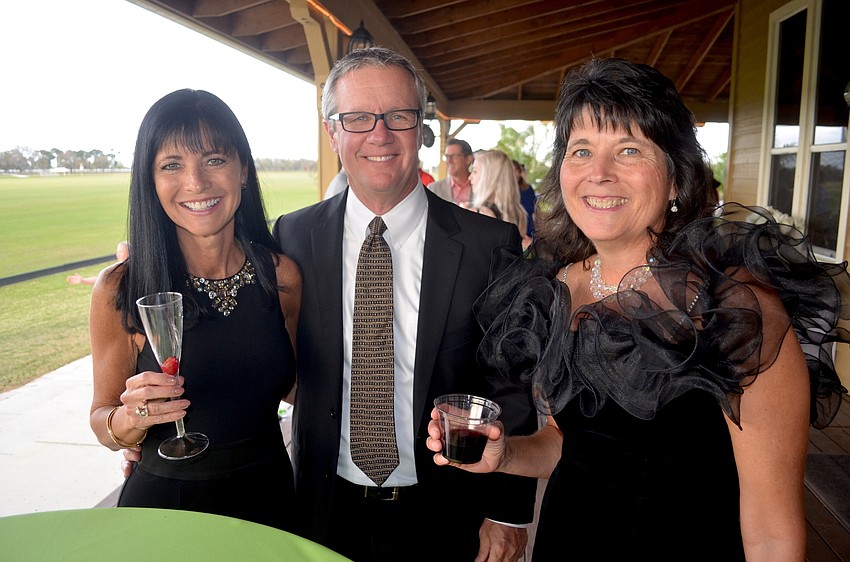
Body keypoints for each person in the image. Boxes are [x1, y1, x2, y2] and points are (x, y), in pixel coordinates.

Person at [427, 57, 850, 561]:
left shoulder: (734, 310)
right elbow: (569, 443)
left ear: (675, 178)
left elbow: (773, 533)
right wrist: (504, 456)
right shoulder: (555, 287)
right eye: (581, 150)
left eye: (629, 149)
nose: (599, 174)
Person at [273, 47, 537, 562]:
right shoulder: (293, 235)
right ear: (333, 131)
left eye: (399, 116)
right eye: (357, 118)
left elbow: (514, 382)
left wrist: (507, 510)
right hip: (322, 508)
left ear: (421, 129)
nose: (379, 134)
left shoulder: (489, 245)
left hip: (447, 510)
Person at [90, 89, 301, 530]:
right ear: (150, 181)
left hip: (269, 502)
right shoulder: (121, 288)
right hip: (165, 509)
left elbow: (302, 389)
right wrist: (133, 418)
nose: (196, 183)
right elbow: (102, 421)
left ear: (243, 169)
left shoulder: (281, 277)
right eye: (172, 165)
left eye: (215, 159)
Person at [466, 149, 530, 248]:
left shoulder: (480, 213)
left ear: (489, 177)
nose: (470, 177)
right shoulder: (519, 213)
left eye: (475, 171)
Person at [429, 138, 474, 205]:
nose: (448, 161)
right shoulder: (434, 189)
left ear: (468, 159)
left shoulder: (483, 187)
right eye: (446, 156)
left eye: (454, 156)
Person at [512, 159, 536, 238]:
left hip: (527, 228)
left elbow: (532, 207)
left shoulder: (527, 188)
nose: (516, 174)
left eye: (517, 171)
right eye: (512, 170)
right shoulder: (503, 191)